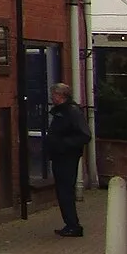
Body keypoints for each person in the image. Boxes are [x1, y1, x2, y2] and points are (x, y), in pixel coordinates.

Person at [46, 82, 92, 238]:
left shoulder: (72, 112)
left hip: (67, 157)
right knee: (63, 190)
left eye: (54, 94)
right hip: (60, 156)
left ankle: (73, 225)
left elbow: (85, 135)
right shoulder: (62, 112)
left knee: (66, 191)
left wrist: (63, 145)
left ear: (60, 96)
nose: (52, 97)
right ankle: (70, 224)